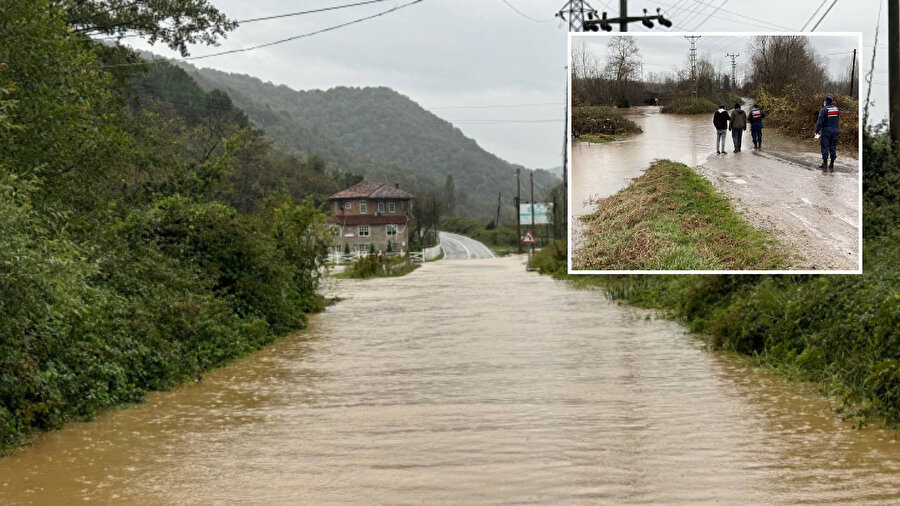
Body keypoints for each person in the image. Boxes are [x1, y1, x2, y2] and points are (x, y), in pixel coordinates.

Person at [815, 95, 840, 171]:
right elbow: (837, 119)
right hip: (835, 130)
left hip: (826, 131)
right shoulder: (836, 109)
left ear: (825, 101)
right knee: (833, 146)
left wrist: (816, 131)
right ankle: (832, 164)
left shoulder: (824, 110)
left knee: (825, 146)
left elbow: (820, 122)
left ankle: (825, 163)